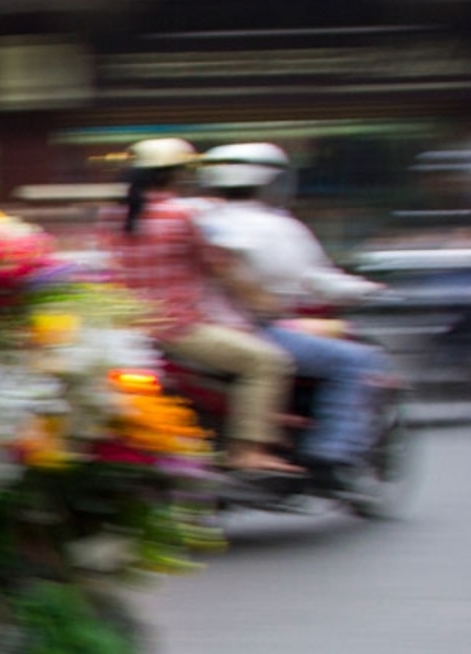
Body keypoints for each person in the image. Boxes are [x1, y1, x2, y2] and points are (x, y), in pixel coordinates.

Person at [107, 136, 298, 476]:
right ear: (178, 175)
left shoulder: (113, 215)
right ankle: (247, 451)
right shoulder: (186, 214)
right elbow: (222, 268)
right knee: (267, 362)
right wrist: (262, 301)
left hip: (127, 331)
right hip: (179, 330)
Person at [192, 142, 389, 472]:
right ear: (273, 182)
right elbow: (317, 280)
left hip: (195, 330)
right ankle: (329, 453)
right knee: (356, 360)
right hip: (250, 328)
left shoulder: (192, 218)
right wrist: (372, 291)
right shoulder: (278, 228)